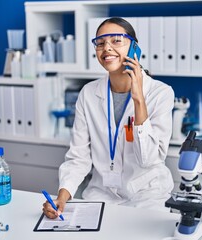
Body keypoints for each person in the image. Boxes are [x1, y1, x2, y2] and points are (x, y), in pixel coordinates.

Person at [43, 17, 174, 219]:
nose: (107, 48)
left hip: (147, 196)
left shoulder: (160, 93)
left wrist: (138, 99)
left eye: (116, 41)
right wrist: (62, 197)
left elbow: (149, 160)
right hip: (102, 194)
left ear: (134, 48)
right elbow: (78, 157)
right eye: (100, 43)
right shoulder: (88, 93)